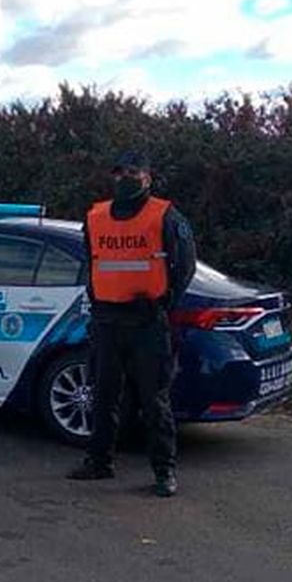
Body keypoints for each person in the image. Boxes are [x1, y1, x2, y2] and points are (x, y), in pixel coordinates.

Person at [68, 150, 196, 496]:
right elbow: (92, 262)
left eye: (133, 172)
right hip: (107, 321)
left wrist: (163, 303)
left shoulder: (165, 216)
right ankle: (99, 462)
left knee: (154, 401)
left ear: (148, 179)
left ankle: (164, 472)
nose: (125, 178)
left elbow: (185, 266)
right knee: (103, 395)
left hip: (147, 324)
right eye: (120, 172)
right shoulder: (96, 217)